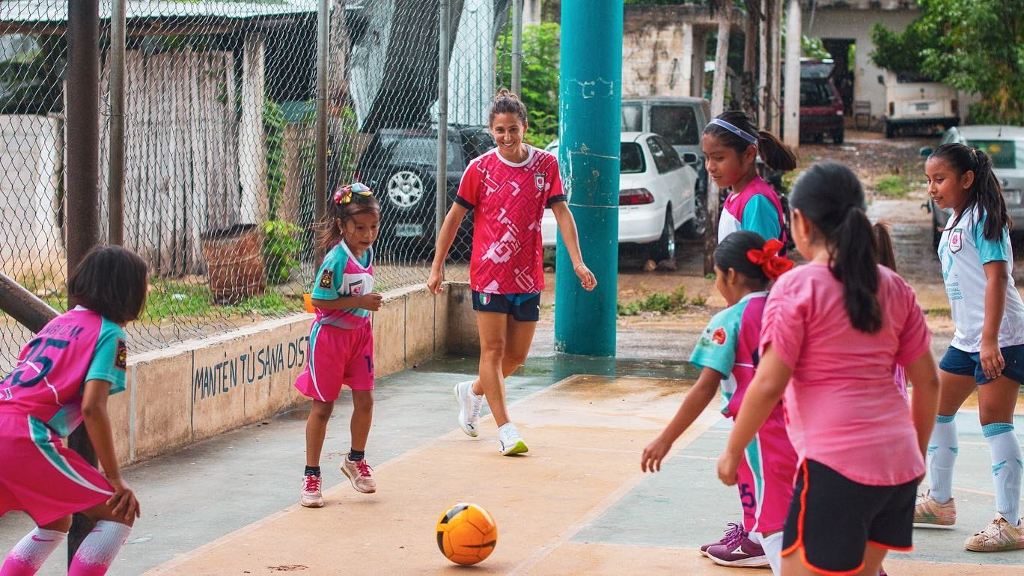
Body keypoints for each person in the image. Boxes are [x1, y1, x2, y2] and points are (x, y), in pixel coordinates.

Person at [716, 162, 940, 576]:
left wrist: (732, 452)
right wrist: (914, 457)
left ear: (799, 222)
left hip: (836, 469)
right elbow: (927, 383)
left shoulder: (796, 287)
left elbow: (767, 384)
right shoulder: (894, 286)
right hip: (898, 469)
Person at [427, 89, 596, 456]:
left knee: (516, 357)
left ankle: (472, 393)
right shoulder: (479, 169)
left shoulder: (545, 166)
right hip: (488, 273)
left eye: (513, 130)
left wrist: (578, 261)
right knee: (492, 350)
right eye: (499, 130)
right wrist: (437, 266)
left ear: (524, 127)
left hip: (528, 274)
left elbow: (563, 214)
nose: (506, 137)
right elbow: (454, 218)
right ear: (491, 130)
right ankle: (505, 428)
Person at [641, 231, 797, 574]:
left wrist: (665, 439)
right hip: (803, 432)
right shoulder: (787, 308)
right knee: (805, 516)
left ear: (731, 276)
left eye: (716, 276)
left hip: (760, 439)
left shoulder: (729, 321)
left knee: (769, 523)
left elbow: (704, 388)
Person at [0, 245, 147, 576]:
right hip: (26, 436)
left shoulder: (56, 325)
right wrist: (114, 478)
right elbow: (93, 408)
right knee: (119, 512)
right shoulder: (111, 335)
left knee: (55, 520)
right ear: (127, 291)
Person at [915, 143, 1024, 551]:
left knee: (995, 421)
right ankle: (939, 502)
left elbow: (997, 280)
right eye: (928, 180)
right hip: (967, 340)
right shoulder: (958, 219)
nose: (932, 188)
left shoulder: (983, 219)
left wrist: (990, 339)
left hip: (1002, 337)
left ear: (966, 179)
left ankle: (1011, 522)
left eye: (939, 179)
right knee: (938, 408)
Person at [296, 183, 382, 508]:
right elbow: (318, 299)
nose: (367, 234)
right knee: (323, 407)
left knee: (366, 400)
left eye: (373, 227)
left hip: (360, 336)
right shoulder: (335, 260)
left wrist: (362, 307)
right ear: (342, 226)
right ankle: (311, 475)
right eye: (359, 228)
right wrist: (359, 300)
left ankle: (355, 460)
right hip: (331, 339)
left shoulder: (368, 251)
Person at [701, 110, 796, 246]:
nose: (710, 166)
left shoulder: (757, 202)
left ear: (749, 154)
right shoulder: (736, 197)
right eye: (707, 157)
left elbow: (761, 263)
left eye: (719, 158)